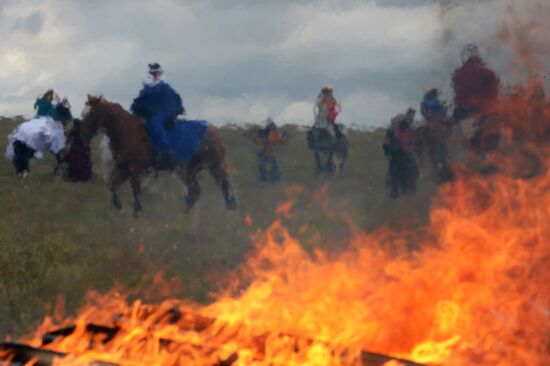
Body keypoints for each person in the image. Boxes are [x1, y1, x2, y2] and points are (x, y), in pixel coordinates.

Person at [130, 63, 184, 166]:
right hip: (147, 114)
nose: (155, 75)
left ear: (160, 74)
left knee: (155, 124)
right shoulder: (146, 88)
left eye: (157, 73)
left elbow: (170, 103)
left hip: (161, 114)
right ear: (150, 74)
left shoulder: (164, 88)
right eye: (153, 73)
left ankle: (166, 150)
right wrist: (138, 110)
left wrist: (169, 114)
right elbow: (139, 101)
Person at [451, 43, 500, 122]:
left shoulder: (458, 74)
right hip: (484, 111)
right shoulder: (488, 73)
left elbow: (457, 93)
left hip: (463, 112)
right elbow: (494, 93)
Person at [383, 108, 418, 199]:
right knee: (395, 173)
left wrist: (410, 149)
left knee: (413, 170)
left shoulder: (409, 131)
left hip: (404, 155)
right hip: (397, 154)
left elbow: (412, 143)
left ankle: (408, 190)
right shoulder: (395, 130)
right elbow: (387, 144)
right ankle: (395, 191)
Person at [254, 118, 287, 183]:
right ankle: (268, 180)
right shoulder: (271, 133)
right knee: (268, 167)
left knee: (268, 167)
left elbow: (277, 140)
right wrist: (282, 136)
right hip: (267, 153)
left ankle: (269, 180)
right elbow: (277, 140)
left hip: (268, 153)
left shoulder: (268, 133)